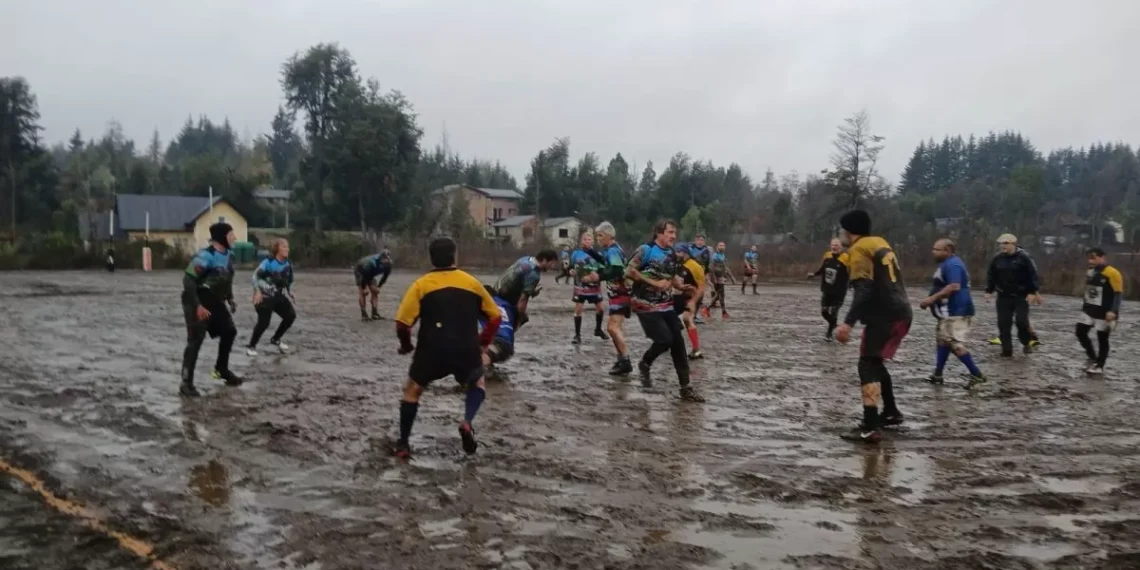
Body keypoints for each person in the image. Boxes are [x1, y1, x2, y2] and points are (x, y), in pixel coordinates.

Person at [392, 237, 502, 459]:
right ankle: (467, 422)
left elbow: (403, 324)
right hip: (466, 348)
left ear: (431, 258)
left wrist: (406, 345)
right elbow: (495, 317)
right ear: (455, 255)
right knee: (477, 383)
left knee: (412, 391)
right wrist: (482, 342)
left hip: (431, 349)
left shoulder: (421, 285)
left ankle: (403, 444)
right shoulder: (472, 283)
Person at [833, 211, 911, 444]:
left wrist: (847, 323)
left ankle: (870, 426)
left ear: (849, 230)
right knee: (875, 362)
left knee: (867, 364)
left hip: (884, 314)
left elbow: (865, 289)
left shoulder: (858, 249)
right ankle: (891, 412)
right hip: (901, 311)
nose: (840, 233)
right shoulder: (879, 242)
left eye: (841, 229)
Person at [626, 220, 705, 402]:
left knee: (678, 342)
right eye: (670, 232)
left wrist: (682, 287)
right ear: (659, 233)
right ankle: (645, 361)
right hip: (644, 304)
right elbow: (628, 271)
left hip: (666, 304)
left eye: (674, 233)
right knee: (665, 339)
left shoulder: (671, 253)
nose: (674, 236)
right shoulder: (646, 250)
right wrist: (654, 283)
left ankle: (686, 388)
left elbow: (672, 276)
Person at [179, 223, 243, 397]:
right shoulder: (205, 256)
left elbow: (226, 279)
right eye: (231, 235)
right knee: (195, 340)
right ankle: (186, 383)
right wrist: (198, 306)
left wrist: (230, 298)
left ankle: (221, 370)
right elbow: (188, 281)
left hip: (215, 301)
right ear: (222, 237)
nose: (234, 238)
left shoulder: (229, 255)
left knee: (229, 331)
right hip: (196, 300)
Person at [918, 238, 986, 387]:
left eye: (936, 249)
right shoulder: (947, 264)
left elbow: (954, 286)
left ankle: (977, 374)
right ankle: (938, 374)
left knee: (953, 343)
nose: (933, 252)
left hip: (955, 311)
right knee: (943, 341)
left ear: (948, 250)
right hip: (949, 312)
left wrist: (931, 299)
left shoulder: (953, 264)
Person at [984, 234, 1042, 357]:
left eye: (1006, 243)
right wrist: (989, 291)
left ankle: (1026, 342)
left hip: (1021, 295)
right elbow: (991, 275)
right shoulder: (997, 259)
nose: (1003, 246)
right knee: (1004, 323)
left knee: (1021, 321)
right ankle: (1006, 350)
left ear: (1013, 244)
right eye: (1001, 243)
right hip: (1003, 295)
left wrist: (1033, 292)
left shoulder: (1024, 257)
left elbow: (1033, 275)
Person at [1076, 247, 1123, 375]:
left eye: (1093, 258)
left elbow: (1118, 293)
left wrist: (1113, 311)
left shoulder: (1112, 272)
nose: (1090, 261)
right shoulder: (1090, 270)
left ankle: (1099, 365)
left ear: (1102, 257)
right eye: (1089, 258)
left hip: (1105, 312)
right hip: (1089, 310)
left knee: (1102, 338)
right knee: (1080, 332)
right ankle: (1092, 357)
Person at [246, 239, 296, 356]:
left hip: (277, 295)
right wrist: (257, 292)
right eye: (284, 247)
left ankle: (276, 339)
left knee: (290, 316)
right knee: (264, 322)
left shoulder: (288, 264)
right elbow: (255, 277)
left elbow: (290, 280)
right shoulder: (268, 262)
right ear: (277, 249)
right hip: (264, 296)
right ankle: (252, 346)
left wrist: (290, 291)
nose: (287, 249)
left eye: (287, 247)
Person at [595, 222, 633, 375]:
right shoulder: (611, 250)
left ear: (609, 236)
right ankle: (621, 359)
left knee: (613, 328)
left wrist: (599, 276)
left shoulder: (612, 251)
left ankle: (625, 361)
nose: (598, 238)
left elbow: (617, 269)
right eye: (597, 236)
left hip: (621, 294)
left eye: (600, 235)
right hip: (617, 295)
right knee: (613, 328)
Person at [494, 249, 560, 328]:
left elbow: (518, 280)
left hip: (495, 291)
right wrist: (521, 318)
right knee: (521, 319)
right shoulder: (534, 274)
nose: (552, 267)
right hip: (504, 301)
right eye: (552, 263)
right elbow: (523, 300)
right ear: (544, 260)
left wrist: (531, 291)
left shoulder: (526, 259)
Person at [807, 238, 850, 341]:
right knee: (824, 312)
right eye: (833, 245)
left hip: (839, 291)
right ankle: (835, 325)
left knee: (834, 311)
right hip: (827, 290)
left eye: (836, 245)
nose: (834, 247)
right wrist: (814, 274)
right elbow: (823, 269)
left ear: (841, 247)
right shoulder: (827, 256)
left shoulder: (845, 258)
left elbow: (851, 272)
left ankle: (829, 334)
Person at [570, 231, 609, 344]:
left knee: (600, 308)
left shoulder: (597, 254)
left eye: (589, 239)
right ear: (581, 241)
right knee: (578, 308)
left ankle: (598, 329)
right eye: (585, 239)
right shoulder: (576, 253)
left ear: (593, 241)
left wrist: (596, 275)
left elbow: (603, 267)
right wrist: (571, 271)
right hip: (580, 285)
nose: (587, 241)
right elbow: (571, 267)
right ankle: (577, 335)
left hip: (594, 285)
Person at [673, 244, 706, 360]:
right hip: (677, 296)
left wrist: (693, 301)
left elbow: (701, 288)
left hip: (692, 296)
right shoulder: (676, 264)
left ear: (685, 253)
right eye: (676, 252)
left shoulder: (695, 266)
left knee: (687, 319)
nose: (676, 254)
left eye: (678, 252)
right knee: (666, 316)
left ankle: (696, 349)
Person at [354, 248, 393, 321]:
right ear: (380, 258)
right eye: (384, 259)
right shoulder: (371, 263)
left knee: (375, 291)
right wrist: (364, 288)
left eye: (387, 259)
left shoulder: (389, 265)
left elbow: (384, 278)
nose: (385, 261)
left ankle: (374, 313)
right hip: (360, 271)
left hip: (370, 273)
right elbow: (364, 276)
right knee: (363, 293)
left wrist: (378, 287)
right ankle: (364, 314)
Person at [707, 241, 735, 319]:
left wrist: (731, 277)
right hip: (715, 277)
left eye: (723, 245)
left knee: (720, 294)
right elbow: (711, 268)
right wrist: (714, 278)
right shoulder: (715, 256)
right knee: (720, 293)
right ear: (717, 247)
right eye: (720, 245)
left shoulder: (722, 256)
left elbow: (726, 268)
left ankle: (722, 311)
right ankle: (711, 309)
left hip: (721, 276)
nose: (722, 247)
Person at [690, 236, 713, 321]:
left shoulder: (707, 250)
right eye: (698, 240)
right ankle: (689, 314)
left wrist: (707, 276)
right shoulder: (690, 249)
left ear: (704, 241)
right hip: (691, 275)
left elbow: (707, 265)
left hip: (702, 275)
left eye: (702, 240)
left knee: (700, 296)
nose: (700, 242)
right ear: (695, 241)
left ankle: (695, 315)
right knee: (692, 295)